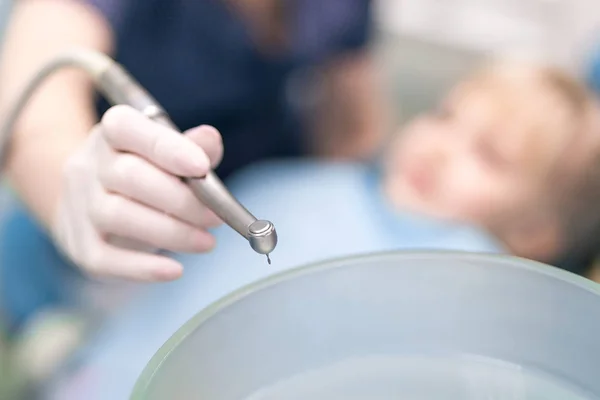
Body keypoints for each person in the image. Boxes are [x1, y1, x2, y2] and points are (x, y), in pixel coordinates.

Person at [43, 60, 600, 399]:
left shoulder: (481, 276)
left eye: (489, 156)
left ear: (534, 232)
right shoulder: (293, 182)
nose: (442, 147)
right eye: (445, 116)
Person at [0, 0, 385, 333]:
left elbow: (350, 126)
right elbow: (36, 109)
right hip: (112, 213)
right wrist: (75, 189)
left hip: (258, 182)